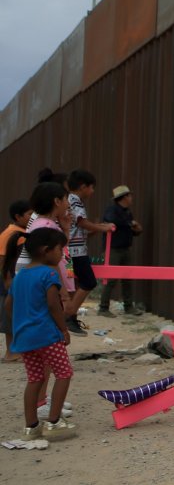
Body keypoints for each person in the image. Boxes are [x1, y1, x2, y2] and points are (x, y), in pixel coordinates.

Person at [2, 227, 77, 440]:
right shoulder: (48, 273)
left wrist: (22, 321)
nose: (62, 254)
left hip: (24, 337)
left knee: (34, 378)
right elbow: (54, 304)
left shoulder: (21, 275)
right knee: (63, 373)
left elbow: (9, 305)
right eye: (59, 249)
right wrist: (63, 329)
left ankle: (31, 426)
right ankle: (53, 422)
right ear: (46, 250)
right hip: (46, 335)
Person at [64, 170, 115, 335]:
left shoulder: (69, 200)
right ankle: (69, 316)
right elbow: (82, 222)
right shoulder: (75, 200)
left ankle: (68, 316)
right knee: (88, 282)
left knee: (74, 285)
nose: (92, 192)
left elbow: (78, 226)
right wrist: (102, 227)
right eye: (92, 188)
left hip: (71, 250)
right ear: (83, 186)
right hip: (75, 251)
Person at [100, 185, 143, 316]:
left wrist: (136, 228)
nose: (131, 198)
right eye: (129, 195)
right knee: (111, 279)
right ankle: (103, 308)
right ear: (124, 197)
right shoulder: (112, 211)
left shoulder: (127, 212)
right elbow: (113, 222)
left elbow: (131, 229)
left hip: (125, 248)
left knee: (127, 278)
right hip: (113, 249)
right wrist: (131, 224)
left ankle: (128, 307)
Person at [0, 200, 33, 361]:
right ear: (18, 216)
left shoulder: (20, 232)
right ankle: (11, 353)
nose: (32, 216)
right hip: (10, 281)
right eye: (29, 214)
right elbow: (2, 258)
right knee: (10, 317)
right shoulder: (12, 234)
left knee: (15, 315)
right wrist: (7, 280)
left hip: (15, 280)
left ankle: (15, 351)